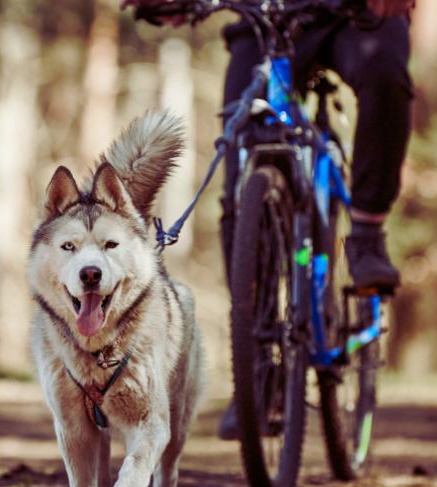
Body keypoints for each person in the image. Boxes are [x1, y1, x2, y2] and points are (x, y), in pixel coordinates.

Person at [126, 0, 414, 439]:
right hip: (269, 19)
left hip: (356, 16)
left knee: (385, 75)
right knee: (242, 159)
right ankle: (258, 365)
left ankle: (368, 229)